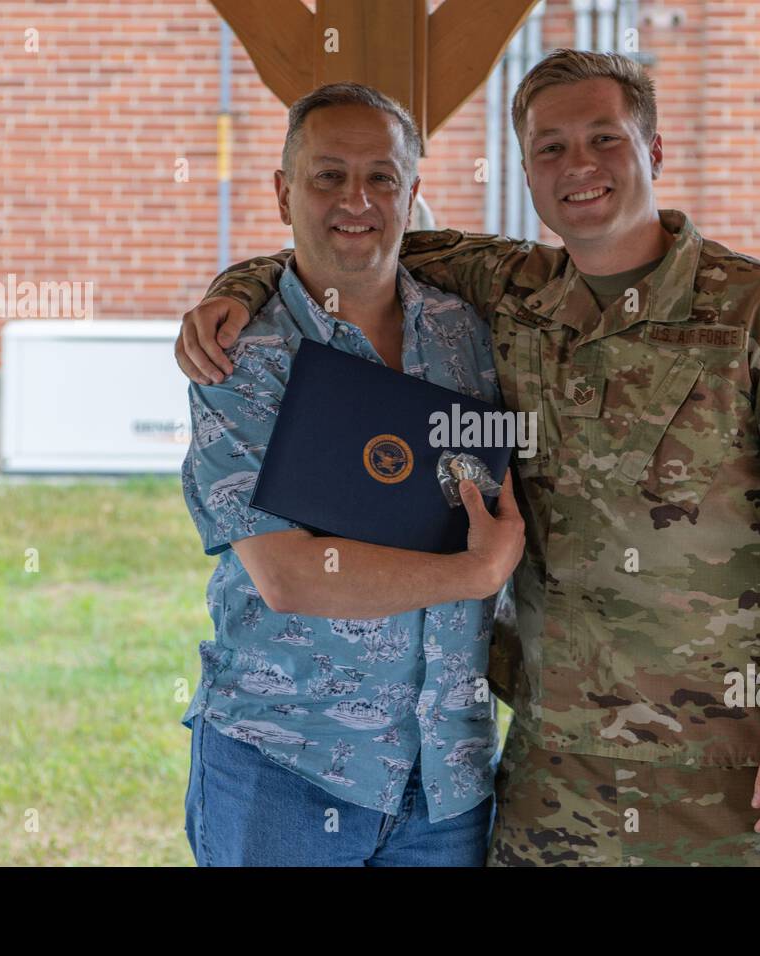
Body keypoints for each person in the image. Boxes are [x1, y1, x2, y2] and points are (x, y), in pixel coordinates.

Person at [176, 50, 760, 866]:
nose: (580, 167)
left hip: (733, 766)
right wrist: (237, 290)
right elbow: (347, 249)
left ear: (654, 152)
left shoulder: (759, 312)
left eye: (605, 139)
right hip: (554, 774)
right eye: (551, 147)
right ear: (526, 167)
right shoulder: (506, 292)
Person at [179, 82, 525, 867]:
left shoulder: (468, 333)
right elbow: (290, 575)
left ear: (413, 191)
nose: (356, 199)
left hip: (449, 779)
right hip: (285, 764)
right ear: (282, 192)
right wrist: (475, 574)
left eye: (382, 177)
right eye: (328, 175)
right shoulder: (240, 356)